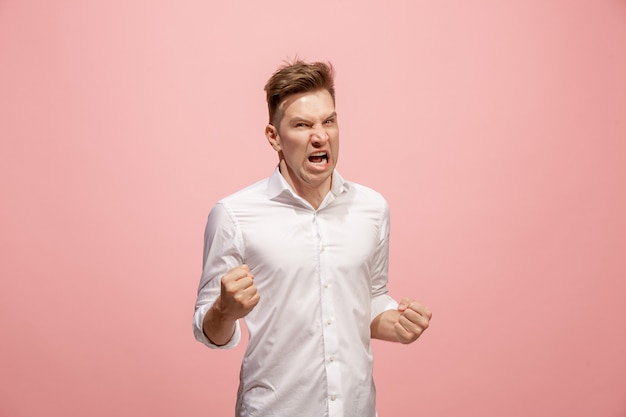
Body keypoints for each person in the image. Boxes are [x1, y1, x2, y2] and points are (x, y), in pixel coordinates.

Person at [193, 60, 432, 417]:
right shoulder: (234, 215)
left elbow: (369, 300)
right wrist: (225, 309)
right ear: (274, 136)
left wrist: (396, 323)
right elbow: (208, 331)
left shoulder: (372, 208)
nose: (320, 136)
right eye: (302, 125)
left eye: (329, 121)